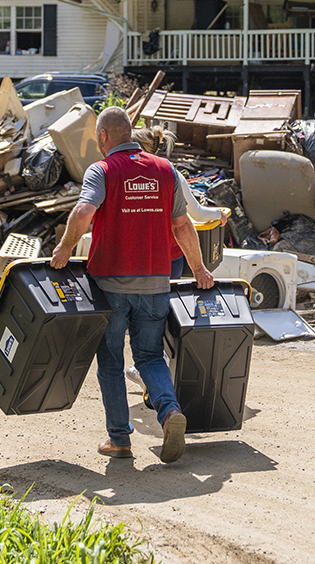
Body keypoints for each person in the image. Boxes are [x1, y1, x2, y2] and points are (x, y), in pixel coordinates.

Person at [51, 107, 215, 463]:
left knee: (110, 361)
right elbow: (183, 226)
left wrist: (64, 248)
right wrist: (199, 269)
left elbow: (83, 212)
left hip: (110, 284)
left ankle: (120, 440)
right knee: (149, 355)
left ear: (104, 137)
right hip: (156, 282)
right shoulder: (164, 170)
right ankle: (170, 412)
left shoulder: (103, 170)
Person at [124, 126, 227, 389]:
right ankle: (165, 371)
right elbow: (197, 216)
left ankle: (150, 372)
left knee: (144, 319)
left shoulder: (121, 172)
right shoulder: (170, 173)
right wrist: (219, 215)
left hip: (137, 259)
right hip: (170, 258)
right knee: (166, 316)